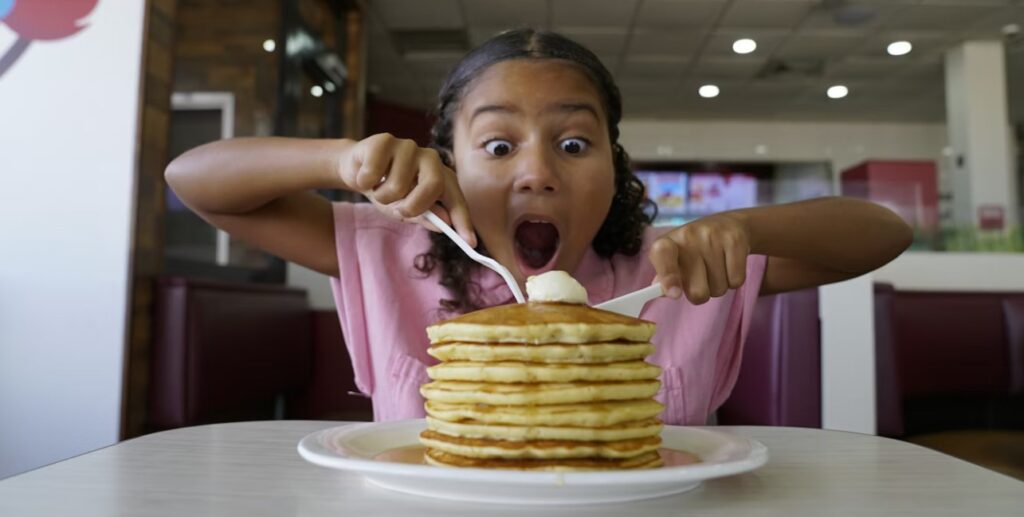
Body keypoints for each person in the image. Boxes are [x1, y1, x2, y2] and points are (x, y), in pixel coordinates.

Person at [165, 28, 912, 424]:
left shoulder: (677, 272)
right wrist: (343, 156)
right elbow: (193, 182)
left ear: (614, 164)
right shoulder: (392, 252)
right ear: (448, 160)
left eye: (575, 143)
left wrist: (740, 226)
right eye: (497, 145)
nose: (537, 171)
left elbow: (883, 231)